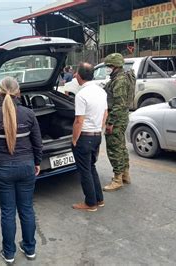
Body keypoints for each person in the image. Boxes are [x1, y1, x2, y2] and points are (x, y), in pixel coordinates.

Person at [0, 77, 42, 264]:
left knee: (7, 211)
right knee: (26, 209)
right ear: (19, 93)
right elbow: (37, 143)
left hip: (2, 168)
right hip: (26, 166)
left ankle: (9, 253)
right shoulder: (29, 114)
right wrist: (37, 163)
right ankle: (30, 248)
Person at [71, 63, 108, 211]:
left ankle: (90, 203)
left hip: (84, 137)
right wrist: (99, 128)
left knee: (84, 170)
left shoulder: (81, 95)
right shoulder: (101, 92)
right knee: (91, 167)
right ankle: (99, 199)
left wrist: (74, 139)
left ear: (79, 76)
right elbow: (105, 113)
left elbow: (79, 121)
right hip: (97, 135)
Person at [102, 53, 136, 192]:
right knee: (121, 146)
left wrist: (110, 123)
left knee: (114, 148)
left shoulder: (120, 80)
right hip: (121, 117)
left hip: (117, 118)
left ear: (114, 66)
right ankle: (125, 175)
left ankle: (117, 179)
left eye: (108, 66)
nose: (107, 68)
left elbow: (119, 104)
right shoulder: (122, 76)